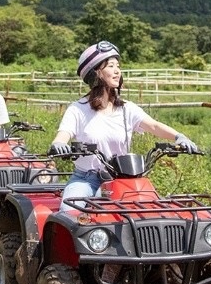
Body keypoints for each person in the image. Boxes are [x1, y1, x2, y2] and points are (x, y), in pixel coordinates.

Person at [51, 41, 198, 212]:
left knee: (152, 211)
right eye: (111, 66)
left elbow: (154, 126)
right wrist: (59, 144)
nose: (117, 71)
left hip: (121, 179)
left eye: (118, 66)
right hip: (86, 179)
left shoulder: (126, 108)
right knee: (69, 211)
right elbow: (64, 133)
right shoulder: (78, 109)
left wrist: (179, 136)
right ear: (96, 73)